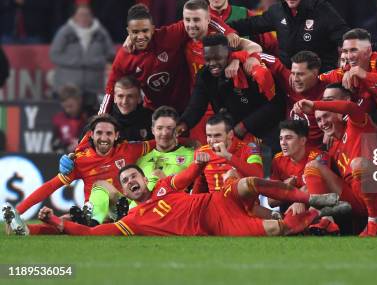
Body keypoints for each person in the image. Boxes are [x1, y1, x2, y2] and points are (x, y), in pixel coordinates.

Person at [11, 159, 349, 236]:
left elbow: (187, 175)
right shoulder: (132, 221)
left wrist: (199, 161)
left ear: (145, 179)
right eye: (125, 180)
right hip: (214, 223)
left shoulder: (163, 187)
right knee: (278, 230)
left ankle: (313, 201)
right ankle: (313, 220)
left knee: (248, 182)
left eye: (134, 176)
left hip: (215, 199)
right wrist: (55, 221)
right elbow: (89, 234)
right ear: (123, 192)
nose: (130, 181)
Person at [11, 115, 155, 235]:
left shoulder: (128, 149)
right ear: (91, 135)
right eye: (99, 133)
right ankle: (27, 230)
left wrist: (177, 137)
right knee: (65, 221)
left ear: (116, 135)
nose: (103, 138)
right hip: (97, 214)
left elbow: (158, 143)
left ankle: (89, 222)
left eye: (109, 133)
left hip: (125, 209)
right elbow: (50, 186)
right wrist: (18, 210)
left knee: (98, 188)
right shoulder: (81, 160)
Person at [99, 2, 237, 115]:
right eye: (135, 32)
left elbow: (204, 17)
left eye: (145, 31)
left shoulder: (169, 36)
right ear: (128, 32)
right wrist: (100, 120)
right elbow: (110, 90)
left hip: (188, 107)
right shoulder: (124, 56)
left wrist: (228, 32)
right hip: (155, 113)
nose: (140, 36)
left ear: (153, 29)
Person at [295, 84, 377, 236]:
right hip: (355, 198)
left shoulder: (357, 125)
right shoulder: (332, 147)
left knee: (358, 164)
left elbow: (350, 107)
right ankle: (327, 221)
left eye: (326, 116)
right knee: (312, 167)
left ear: (340, 115)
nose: (323, 123)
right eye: (319, 120)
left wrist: (314, 105)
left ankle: (375, 221)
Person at [229, 0, 349, 72]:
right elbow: (250, 25)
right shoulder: (278, 11)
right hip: (287, 81)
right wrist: (223, 29)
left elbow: (346, 39)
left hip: (319, 82)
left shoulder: (323, 10)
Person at [178, 34, 282, 141]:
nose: (212, 64)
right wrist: (183, 124)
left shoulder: (250, 68)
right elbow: (196, 106)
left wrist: (244, 126)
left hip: (267, 131)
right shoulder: (205, 75)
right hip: (233, 135)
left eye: (218, 58)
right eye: (208, 59)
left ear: (229, 55)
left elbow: (276, 104)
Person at [260, 50, 327, 145]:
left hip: (318, 150)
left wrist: (330, 132)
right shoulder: (288, 80)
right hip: (289, 147)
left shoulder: (328, 91)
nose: (295, 79)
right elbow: (255, 53)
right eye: (293, 73)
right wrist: (249, 59)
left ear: (315, 72)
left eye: (300, 74)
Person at [50, 5, 115, 96]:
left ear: (92, 16)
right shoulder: (65, 32)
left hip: (94, 89)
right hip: (67, 90)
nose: (84, 18)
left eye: (87, 15)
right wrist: (79, 61)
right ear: (74, 16)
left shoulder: (101, 33)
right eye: (80, 14)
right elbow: (55, 55)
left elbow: (111, 55)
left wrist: (95, 61)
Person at [192, 113, 264, 193]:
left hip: (243, 203)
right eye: (209, 136)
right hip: (215, 203)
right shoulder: (202, 152)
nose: (212, 141)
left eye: (217, 135)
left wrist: (228, 156)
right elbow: (199, 184)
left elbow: (259, 175)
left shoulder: (249, 148)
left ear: (230, 134)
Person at [109, 76, 153, 141]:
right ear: (114, 98)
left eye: (130, 96)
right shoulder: (105, 119)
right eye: (120, 96)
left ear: (139, 99)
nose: (125, 102)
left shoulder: (152, 119)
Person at [51, 85, 92, 154]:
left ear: (79, 101)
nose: (67, 110)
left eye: (70, 106)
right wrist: (66, 147)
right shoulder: (58, 120)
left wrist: (81, 143)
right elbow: (54, 144)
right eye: (65, 107)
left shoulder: (88, 118)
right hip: (65, 157)